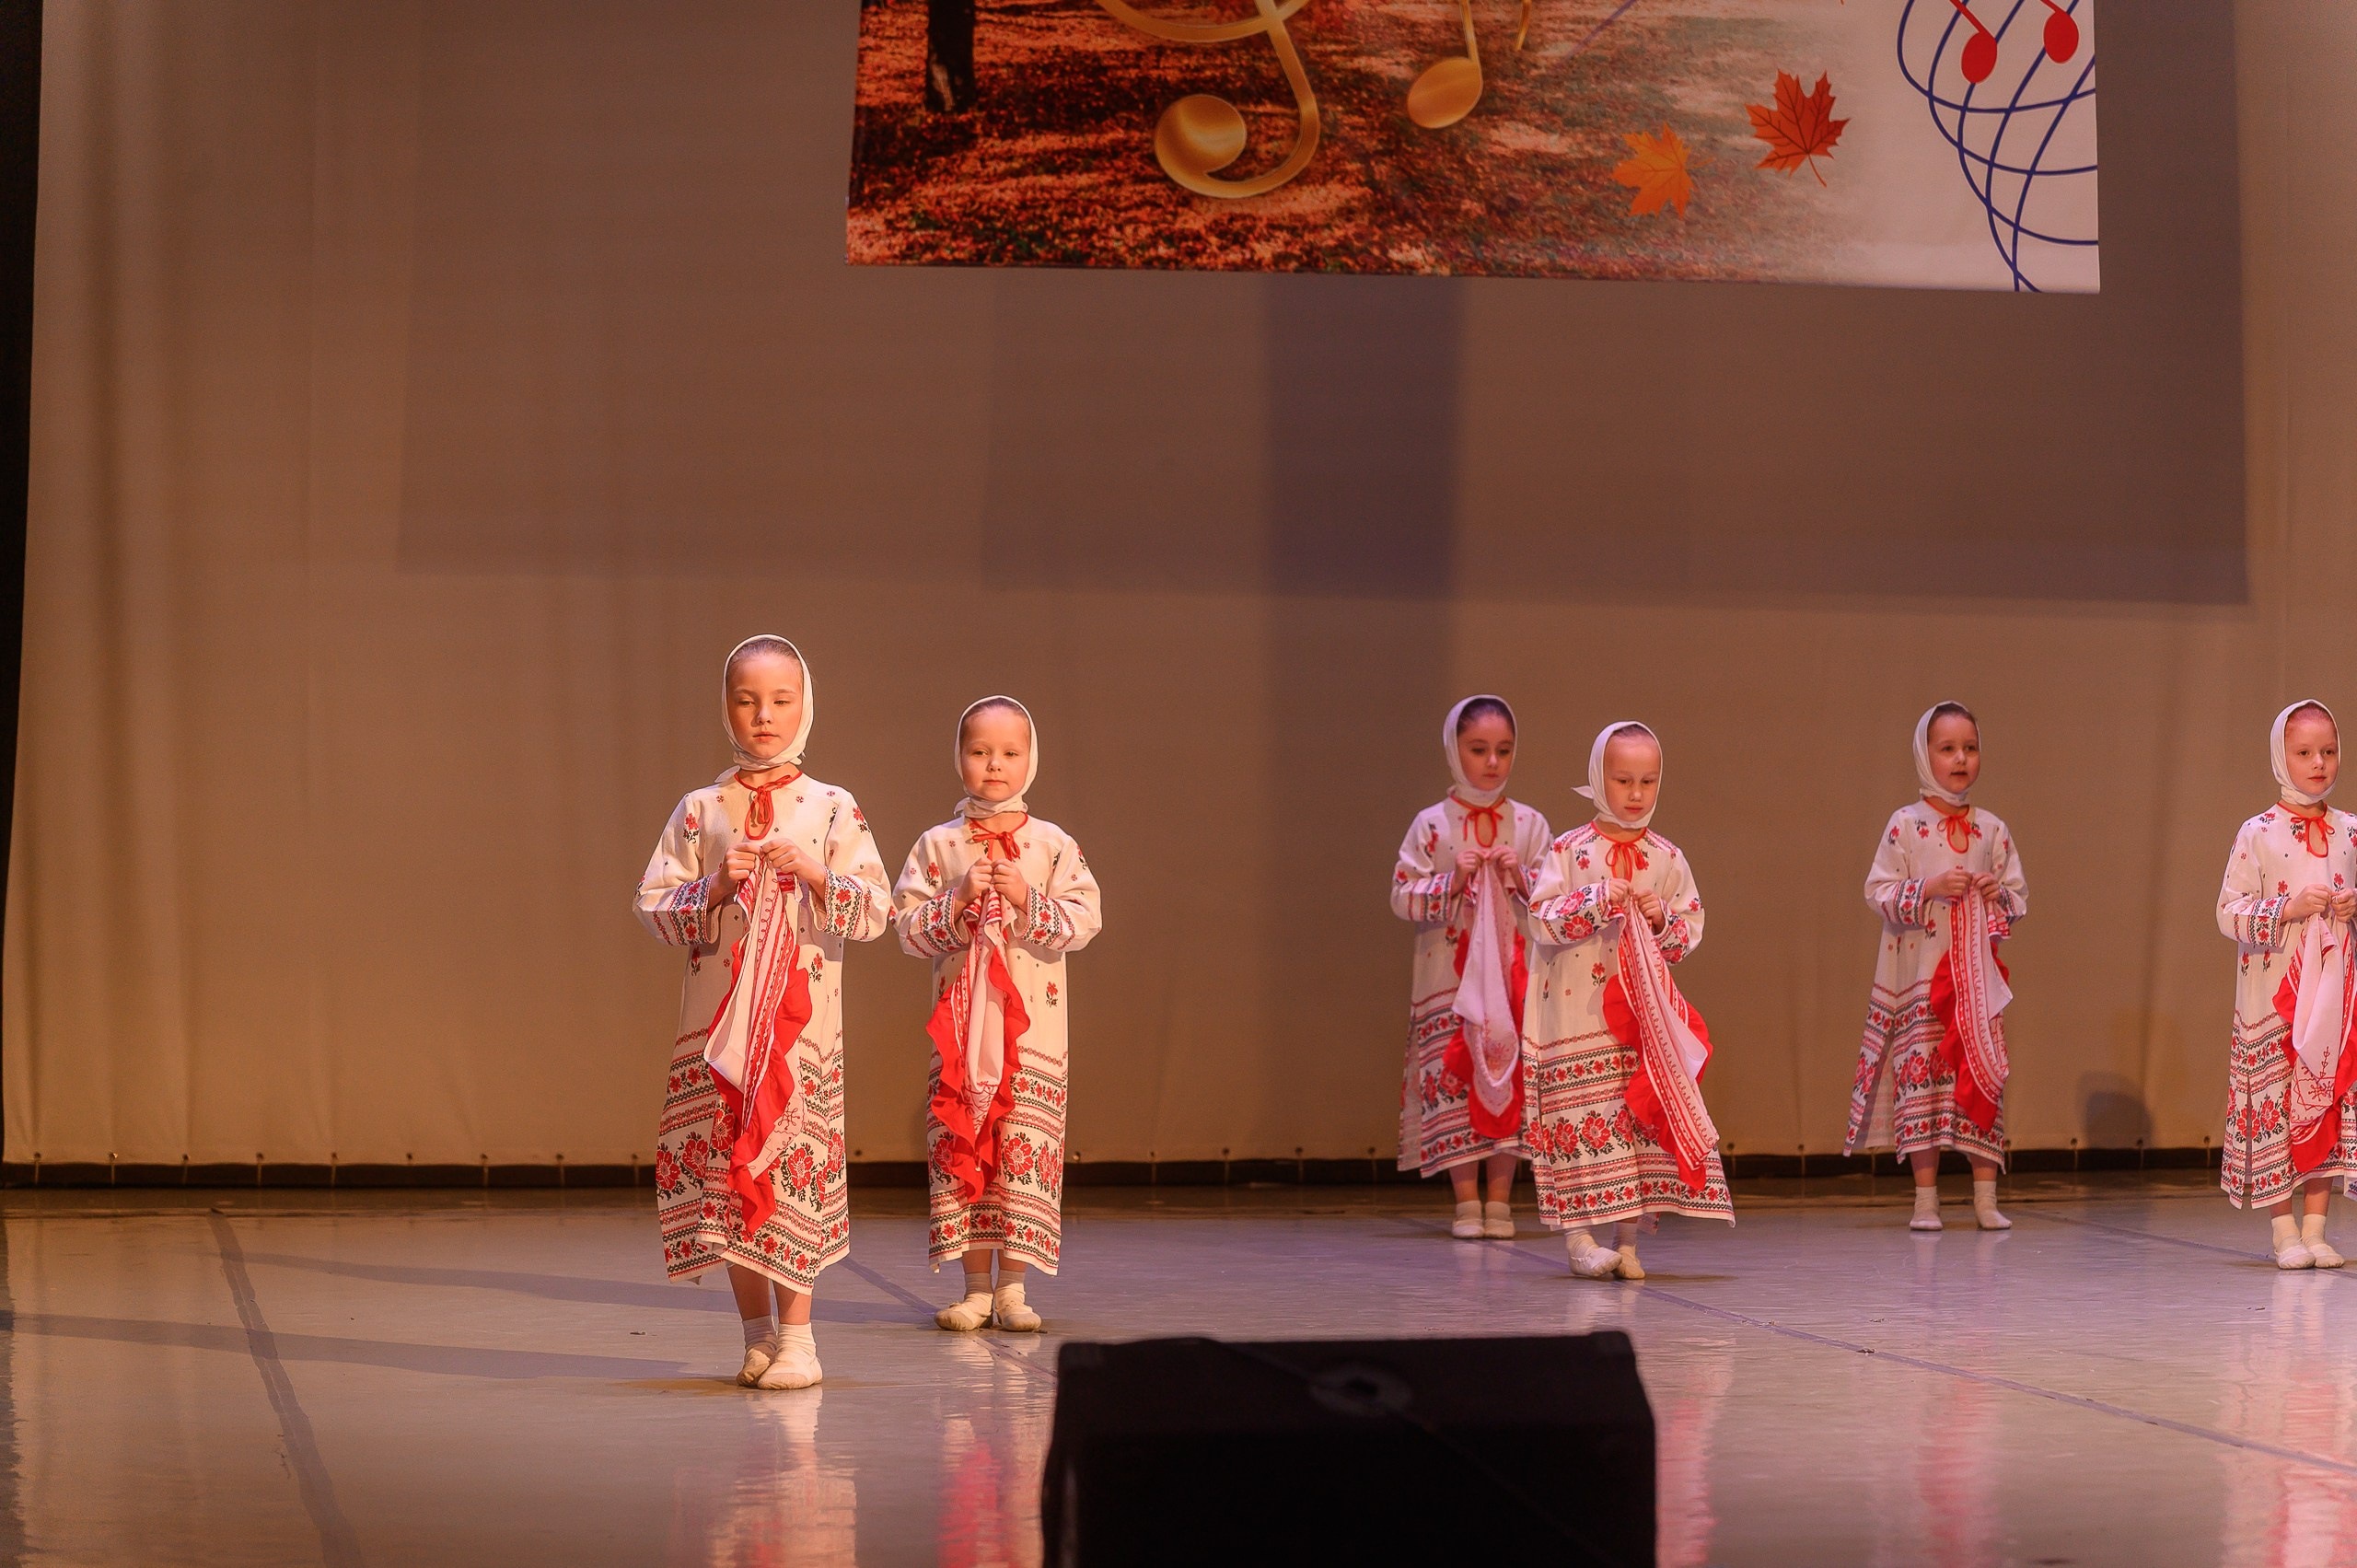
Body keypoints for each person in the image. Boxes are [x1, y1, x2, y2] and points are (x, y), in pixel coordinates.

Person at [633, 636, 892, 1388]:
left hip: (800, 1029)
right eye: (747, 699)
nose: (764, 715)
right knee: (727, 1170)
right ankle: (755, 1336)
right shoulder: (701, 808)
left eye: (780, 699)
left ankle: (802, 1340)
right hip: (719, 1030)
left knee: (788, 1161)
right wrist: (711, 887)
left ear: (804, 704)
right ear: (726, 709)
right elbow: (652, 903)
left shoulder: (832, 806)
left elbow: (875, 909)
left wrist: (816, 874)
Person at [895, 697, 1102, 1330]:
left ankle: (1013, 1287)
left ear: (1030, 758)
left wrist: (1027, 898)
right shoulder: (939, 844)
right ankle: (975, 1285)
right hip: (960, 1033)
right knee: (966, 1145)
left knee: (1020, 1148)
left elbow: (1085, 919)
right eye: (980, 751)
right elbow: (905, 928)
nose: (994, 765)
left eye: (1009, 752)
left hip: (1032, 1033)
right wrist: (958, 897)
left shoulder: (1052, 844)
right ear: (959, 757)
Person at [1524, 722, 1730, 1280]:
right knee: (1580, 1113)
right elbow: (1540, 917)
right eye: (1622, 780)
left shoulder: (1666, 856)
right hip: (1574, 1012)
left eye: (1647, 781)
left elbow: (1689, 928)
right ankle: (1581, 1240)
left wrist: (1662, 916)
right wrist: (1594, 898)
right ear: (1598, 778)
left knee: (1633, 1117)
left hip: (1639, 1018)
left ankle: (1629, 1240)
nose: (1636, 794)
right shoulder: (1568, 850)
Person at [1843, 703, 2027, 1232]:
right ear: (1925, 756)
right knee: (1921, 1080)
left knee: (1981, 1077)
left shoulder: (1992, 829)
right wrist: (1928, 888)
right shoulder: (1906, 825)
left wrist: (1997, 894)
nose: (1961, 759)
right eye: (1947, 749)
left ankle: (1985, 1197)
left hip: (1976, 983)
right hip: (1921, 978)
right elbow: (1877, 891)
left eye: (1969, 748)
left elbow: (2018, 896)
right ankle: (1925, 1200)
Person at [1390, 695, 1551, 1238]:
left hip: (1512, 978)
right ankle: (1465, 1201)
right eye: (1478, 749)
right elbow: (1400, 895)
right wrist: (1449, 882)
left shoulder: (1529, 825)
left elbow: (1555, 903)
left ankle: (1502, 1201)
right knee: (1458, 1077)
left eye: (1503, 751)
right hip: (1449, 978)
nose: (1492, 763)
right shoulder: (1431, 826)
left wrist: (1522, 880)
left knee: (1505, 1078)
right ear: (1454, 750)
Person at [2217, 700, 2357, 1269]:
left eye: (2327, 752)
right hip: (2274, 996)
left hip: (2334, 998)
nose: (2318, 763)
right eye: (2304, 753)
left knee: (2325, 1098)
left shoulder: (2352, 829)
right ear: (2282, 756)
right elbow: (2228, 912)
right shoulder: (2258, 833)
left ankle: (2318, 1228)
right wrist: (2290, 907)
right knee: (2276, 1100)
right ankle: (2283, 1232)